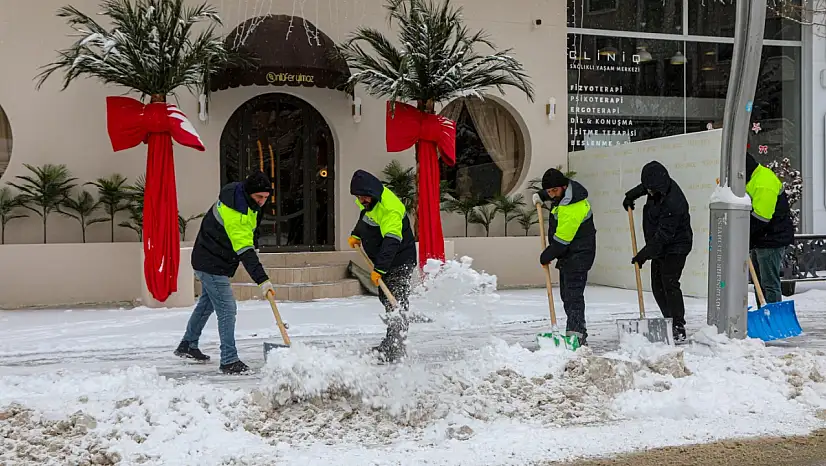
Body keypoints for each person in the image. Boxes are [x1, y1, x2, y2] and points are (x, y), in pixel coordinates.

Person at [175, 171, 276, 374]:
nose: (262, 202)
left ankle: (188, 344)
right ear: (249, 193)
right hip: (211, 262)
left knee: (207, 304)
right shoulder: (235, 211)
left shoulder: (244, 200)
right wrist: (262, 280)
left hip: (212, 257)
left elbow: (250, 232)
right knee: (227, 309)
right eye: (259, 197)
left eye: (266, 197)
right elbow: (244, 249)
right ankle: (229, 360)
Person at [347, 169, 417, 363]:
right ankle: (391, 342)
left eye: (364, 197)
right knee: (387, 301)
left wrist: (380, 269)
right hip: (385, 261)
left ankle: (396, 347)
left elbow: (391, 241)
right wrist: (357, 233)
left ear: (372, 192)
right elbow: (367, 218)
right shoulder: (370, 201)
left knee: (396, 303)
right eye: (359, 197)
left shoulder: (390, 208)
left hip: (400, 260)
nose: (361, 200)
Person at [622, 161, 693, 342]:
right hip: (659, 244)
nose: (649, 193)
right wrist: (630, 196)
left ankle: (678, 325)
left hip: (676, 245)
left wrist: (643, 255)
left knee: (669, 282)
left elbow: (663, 237)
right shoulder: (656, 185)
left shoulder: (674, 202)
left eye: (652, 190)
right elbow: (644, 187)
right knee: (657, 285)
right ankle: (668, 320)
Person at [532, 168, 596, 346]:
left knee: (573, 296)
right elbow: (551, 191)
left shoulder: (572, 207)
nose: (552, 195)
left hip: (579, 254)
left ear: (563, 186)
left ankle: (577, 335)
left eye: (554, 191)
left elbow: (561, 241)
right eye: (549, 192)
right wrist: (541, 195)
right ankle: (575, 331)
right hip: (569, 254)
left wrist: (547, 255)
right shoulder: (565, 193)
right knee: (566, 295)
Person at [745, 152, 794, 303]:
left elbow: (761, 218)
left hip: (772, 239)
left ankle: (772, 316)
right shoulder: (754, 177)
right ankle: (764, 314)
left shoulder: (763, 182)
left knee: (769, 283)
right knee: (759, 283)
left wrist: (743, 234)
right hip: (762, 238)